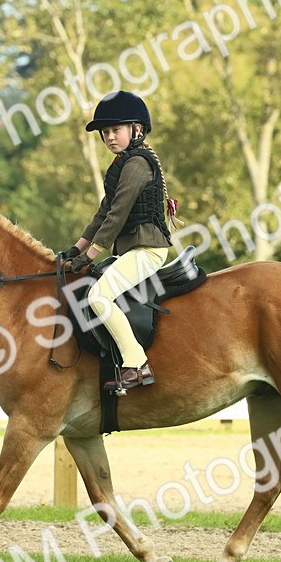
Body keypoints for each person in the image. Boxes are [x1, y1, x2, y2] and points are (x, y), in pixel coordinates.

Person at [58, 90, 173, 392]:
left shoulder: (137, 164)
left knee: (98, 297)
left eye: (115, 130)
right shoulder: (120, 165)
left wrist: (91, 254)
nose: (109, 137)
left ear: (136, 130)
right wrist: (77, 248)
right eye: (105, 132)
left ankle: (136, 363)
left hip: (148, 250)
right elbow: (102, 212)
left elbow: (118, 215)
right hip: (132, 250)